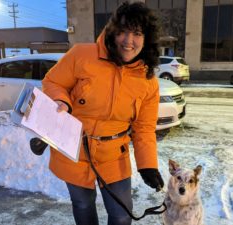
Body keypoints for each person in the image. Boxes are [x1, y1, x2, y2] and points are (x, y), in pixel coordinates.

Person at [31, 2, 164, 225]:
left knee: (122, 214)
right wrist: (62, 101)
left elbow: (144, 128)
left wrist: (147, 163)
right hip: (74, 148)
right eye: (122, 31)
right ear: (113, 31)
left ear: (146, 38)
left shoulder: (148, 80)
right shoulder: (82, 54)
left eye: (137, 33)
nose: (128, 41)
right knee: (83, 205)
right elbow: (53, 81)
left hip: (114, 154)